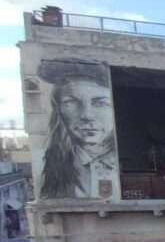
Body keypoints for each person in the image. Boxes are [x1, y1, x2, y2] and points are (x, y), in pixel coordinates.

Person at [39, 64, 118, 199]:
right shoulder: (49, 163)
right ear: (58, 110)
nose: (87, 115)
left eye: (100, 103)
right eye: (72, 103)